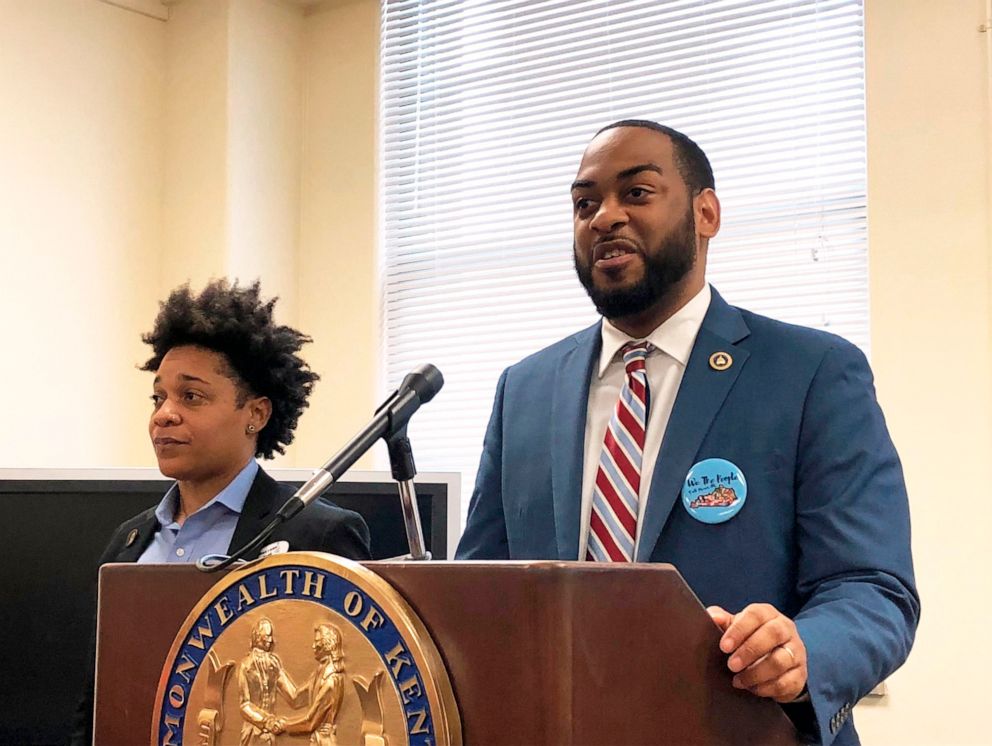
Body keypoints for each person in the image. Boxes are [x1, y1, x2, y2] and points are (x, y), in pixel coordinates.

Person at [455, 120, 919, 745]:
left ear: (707, 213)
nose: (604, 219)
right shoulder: (524, 390)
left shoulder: (811, 372)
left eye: (637, 194)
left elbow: (873, 588)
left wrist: (804, 648)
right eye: (584, 204)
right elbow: (479, 593)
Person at [71, 279, 371, 745]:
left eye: (191, 397)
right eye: (158, 398)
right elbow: (94, 706)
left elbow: (352, 704)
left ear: (255, 413)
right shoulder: (127, 543)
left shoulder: (317, 534)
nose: (164, 415)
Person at [237, 618, 303, 746]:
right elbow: (244, 705)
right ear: (257, 637)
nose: (271, 640)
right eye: (267, 635)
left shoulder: (274, 664)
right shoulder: (246, 666)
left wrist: (315, 685)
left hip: (270, 736)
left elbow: (293, 697)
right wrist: (265, 721)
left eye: (271, 636)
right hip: (252, 734)